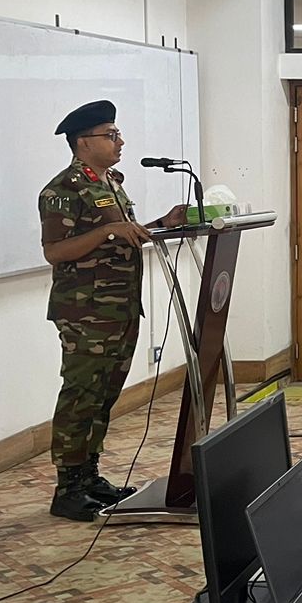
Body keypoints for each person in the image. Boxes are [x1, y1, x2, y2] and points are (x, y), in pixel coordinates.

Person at [38, 100, 188, 522]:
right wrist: (107, 230)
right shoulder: (63, 190)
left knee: (104, 395)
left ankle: (89, 476)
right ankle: (68, 488)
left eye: (118, 133)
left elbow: (124, 235)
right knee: (80, 394)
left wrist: (162, 223)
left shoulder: (111, 183)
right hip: (85, 312)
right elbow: (55, 251)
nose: (120, 141)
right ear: (84, 142)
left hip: (121, 308)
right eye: (111, 135)